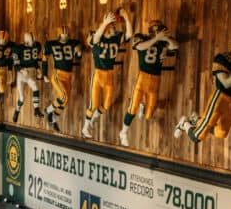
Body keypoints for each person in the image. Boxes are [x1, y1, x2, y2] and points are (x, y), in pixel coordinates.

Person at [174, 36, 231, 142]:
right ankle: (184, 123)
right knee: (197, 137)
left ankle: (196, 120)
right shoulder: (222, 59)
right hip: (220, 98)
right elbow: (226, 83)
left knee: (221, 133)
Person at [119, 19, 179, 148]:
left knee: (149, 115)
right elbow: (139, 46)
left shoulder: (163, 43)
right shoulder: (142, 38)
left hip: (156, 80)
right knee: (132, 108)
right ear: (151, 30)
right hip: (143, 77)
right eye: (157, 30)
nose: (159, 32)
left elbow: (175, 46)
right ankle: (123, 132)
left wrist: (166, 38)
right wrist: (155, 39)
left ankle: (143, 105)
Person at [82, 8, 133, 139]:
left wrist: (127, 19)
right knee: (93, 104)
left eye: (113, 25)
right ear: (105, 27)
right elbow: (94, 40)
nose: (114, 27)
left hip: (110, 75)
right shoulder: (96, 35)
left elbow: (128, 35)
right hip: (98, 74)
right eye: (111, 26)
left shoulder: (116, 38)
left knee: (106, 105)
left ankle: (92, 119)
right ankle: (85, 127)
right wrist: (104, 24)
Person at [43, 25, 83, 132]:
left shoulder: (73, 43)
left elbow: (78, 57)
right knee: (64, 97)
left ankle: (53, 119)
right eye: (63, 34)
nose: (65, 36)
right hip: (58, 75)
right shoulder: (52, 44)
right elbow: (44, 58)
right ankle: (48, 110)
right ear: (59, 34)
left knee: (65, 101)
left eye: (66, 34)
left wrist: (79, 52)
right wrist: (44, 73)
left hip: (69, 76)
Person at [12, 32, 45, 122]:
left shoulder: (36, 46)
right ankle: (17, 111)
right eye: (31, 41)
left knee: (35, 87)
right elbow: (15, 65)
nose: (33, 43)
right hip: (22, 74)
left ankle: (36, 110)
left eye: (33, 40)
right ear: (26, 41)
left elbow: (34, 61)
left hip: (30, 72)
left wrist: (38, 69)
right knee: (22, 98)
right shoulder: (18, 49)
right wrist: (22, 69)